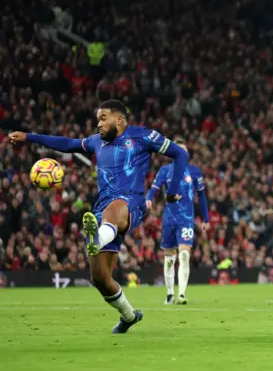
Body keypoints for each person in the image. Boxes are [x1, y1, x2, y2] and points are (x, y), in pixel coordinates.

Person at [8, 100, 189, 333]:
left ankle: (97, 236)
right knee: (100, 278)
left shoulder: (144, 137)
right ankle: (129, 316)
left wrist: (172, 191)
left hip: (131, 202)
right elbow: (66, 143)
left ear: (120, 120)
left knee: (113, 211)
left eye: (103, 118)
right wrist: (29, 137)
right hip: (102, 210)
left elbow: (179, 155)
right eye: (98, 119)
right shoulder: (96, 142)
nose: (99, 123)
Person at [146, 136, 210, 305]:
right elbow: (154, 188)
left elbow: (202, 196)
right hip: (169, 219)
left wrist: (206, 218)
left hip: (187, 219)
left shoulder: (195, 172)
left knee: (184, 255)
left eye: (184, 151)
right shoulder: (165, 170)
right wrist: (148, 198)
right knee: (169, 260)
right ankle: (169, 294)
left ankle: (181, 294)